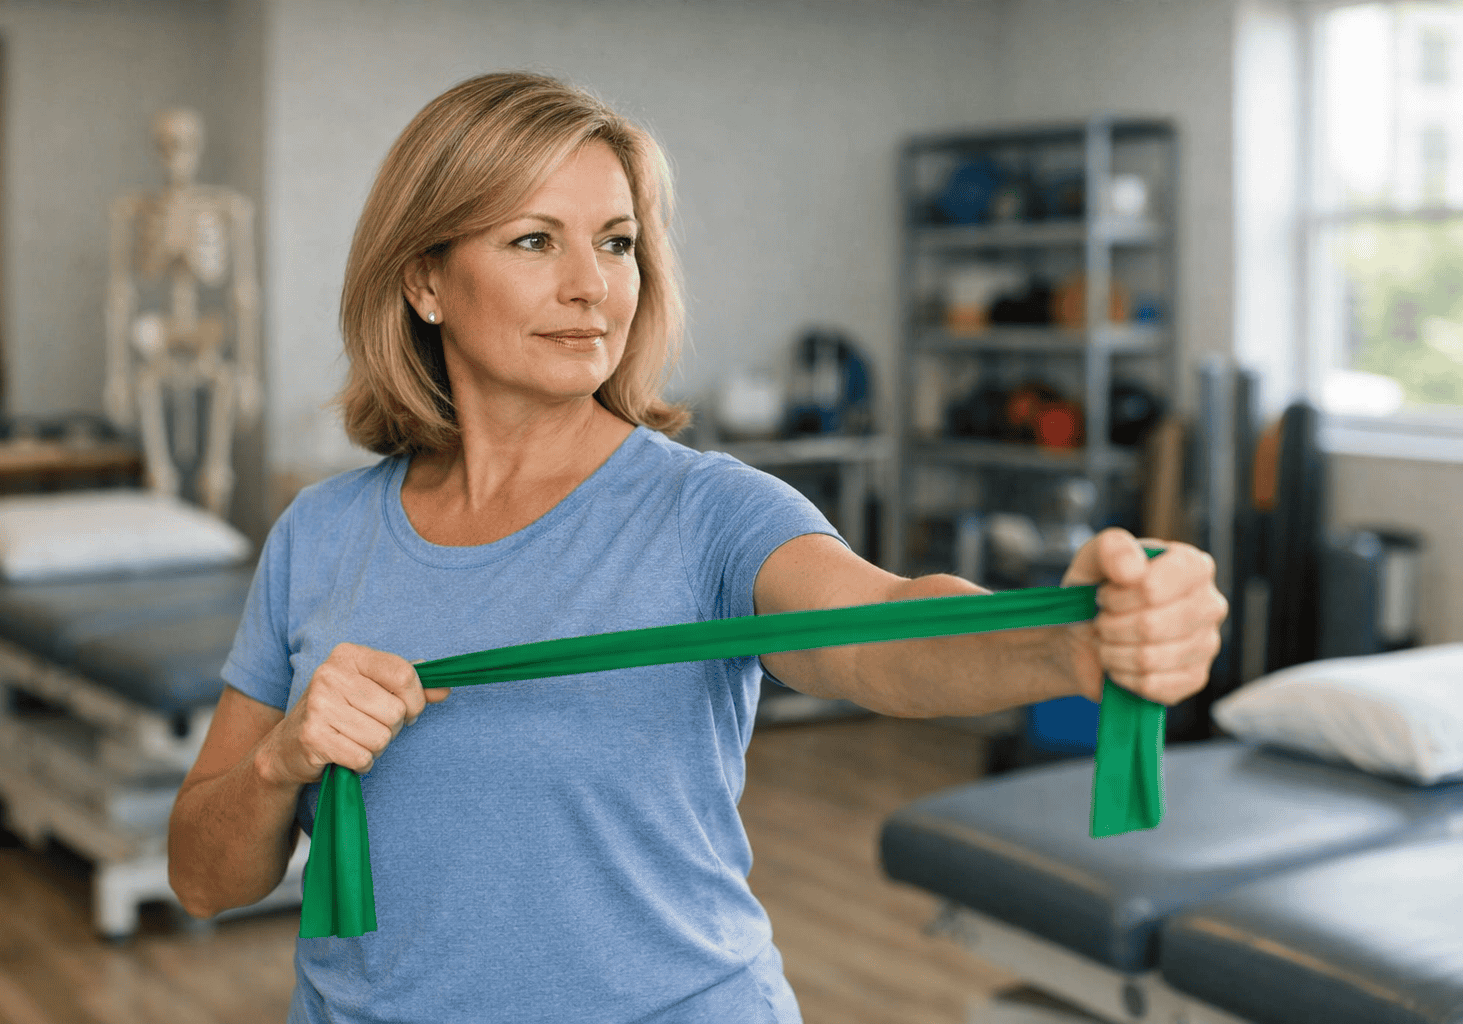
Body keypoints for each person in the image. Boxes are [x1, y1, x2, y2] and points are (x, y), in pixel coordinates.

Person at [168, 71, 1229, 1024]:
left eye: (618, 241)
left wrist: (1067, 645)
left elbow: (879, 629)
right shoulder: (323, 534)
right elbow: (204, 877)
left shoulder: (710, 513)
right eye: (536, 239)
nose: (594, 285)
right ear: (425, 282)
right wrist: (283, 759)